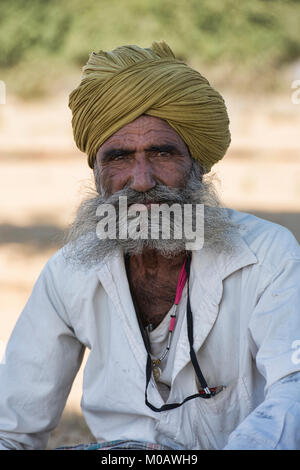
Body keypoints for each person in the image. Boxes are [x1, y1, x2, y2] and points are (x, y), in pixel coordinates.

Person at [0, 42, 300, 451]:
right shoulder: (68, 273)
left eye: (162, 153)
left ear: (197, 165)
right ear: (97, 173)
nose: (141, 180)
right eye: (119, 157)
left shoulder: (268, 257)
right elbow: (10, 426)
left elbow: (293, 393)